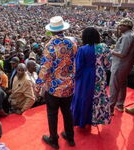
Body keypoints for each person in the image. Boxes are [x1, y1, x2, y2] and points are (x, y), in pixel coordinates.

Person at [37, 16, 77, 149]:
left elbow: (45, 67)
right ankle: (70, 137)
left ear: (52, 31)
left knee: (52, 114)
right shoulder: (72, 43)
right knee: (67, 112)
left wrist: (39, 83)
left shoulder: (50, 46)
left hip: (54, 87)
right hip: (69, 86)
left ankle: (54, 140)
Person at [71, 27, 111, 129]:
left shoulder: (82, 49)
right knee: (97, 97)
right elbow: (108, 64)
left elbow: (78, 67)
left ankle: (82, 121)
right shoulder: (104, 47)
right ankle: (94, 119)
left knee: (83, 97)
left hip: (85, 77)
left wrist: (75, 78)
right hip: (100, 76)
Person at [109, 18, 134, 114]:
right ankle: (120, 105)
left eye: (121, 25)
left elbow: (122, 53)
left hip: (119, 65)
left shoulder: (126, 37)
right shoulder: (133, 35)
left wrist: (111, 51)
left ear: (126, 26)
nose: (119, 27)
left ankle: (110, 108)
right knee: (122, 86)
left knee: (114, 87)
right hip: (127, 66)